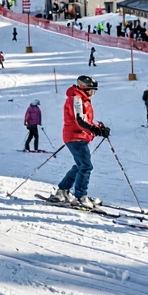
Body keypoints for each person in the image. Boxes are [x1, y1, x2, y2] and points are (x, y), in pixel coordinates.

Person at [48, 76, 108, 208]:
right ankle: (80, 196)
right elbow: (79, 120)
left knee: (80, 165)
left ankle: (62, 191)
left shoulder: (83, 99)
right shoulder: (76, 98)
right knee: (86, 166)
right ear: (84, 88)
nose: (94, 93)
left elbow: (85, 120)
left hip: (79, 136)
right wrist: (94, 129)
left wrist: (99, 127)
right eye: (92, 90)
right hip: (75, 136)